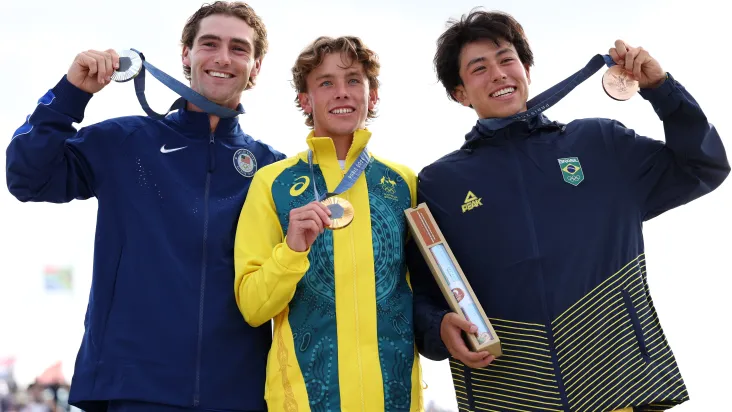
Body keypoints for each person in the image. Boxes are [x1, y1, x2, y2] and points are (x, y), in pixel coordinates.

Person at [409, 9, 729, 412]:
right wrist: (436, 328)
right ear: (459, 92)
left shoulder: (599, 143)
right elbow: (421, 287)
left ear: (526, 68)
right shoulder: (440, 183)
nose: (498, 74)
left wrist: (661, 89)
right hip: (512, 388)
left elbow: (703, 165)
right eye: (478, 68)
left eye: (507, 60)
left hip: (617, 380)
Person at [5, 2, 285, 411]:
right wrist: (70, 93)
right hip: (133, 389)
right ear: (186, 55)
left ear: (256, 66)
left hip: (240, 393)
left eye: (239, 48)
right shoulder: (127, 141)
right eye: (210, 44)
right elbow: (27, 176)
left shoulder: (272, 170)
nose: (223, 57)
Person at [233, 36, 424, 411]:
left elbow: (426, 291)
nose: (341, 93)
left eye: (354, 80)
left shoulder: (404, 183)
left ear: (373, 96)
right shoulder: (274, 183)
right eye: (326, 83)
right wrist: (291, 251)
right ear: (305, 99)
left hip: (396, 397)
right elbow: (253, 307)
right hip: (304, 400)